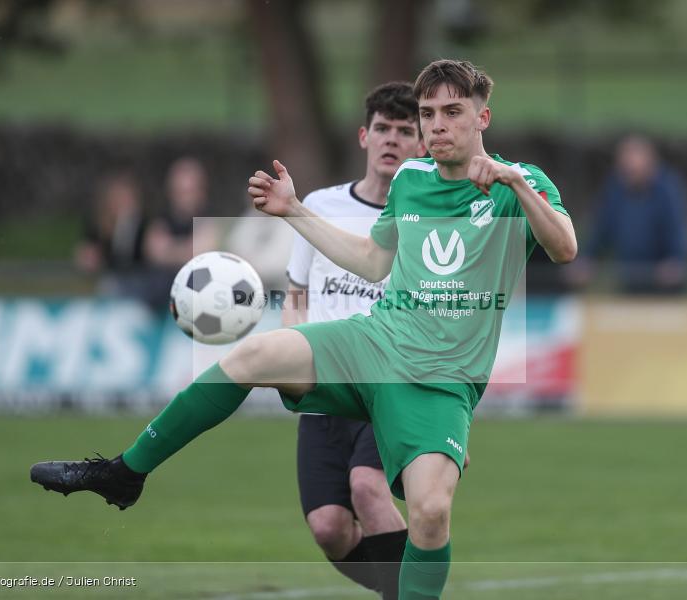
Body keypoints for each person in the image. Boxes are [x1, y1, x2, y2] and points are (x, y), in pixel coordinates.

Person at [31, 60, 576, 599]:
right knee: (250, 358)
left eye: (452, 112)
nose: (436, 125)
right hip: (374, 343)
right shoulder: (411, 180)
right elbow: (372, 260)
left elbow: (564, 247)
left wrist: (514, 183)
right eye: (428, 113)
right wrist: (293, 210)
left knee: (430, 513)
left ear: (483, 118)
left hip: (441, 378)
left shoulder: (519, 184)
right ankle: (125, 472)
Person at [282, 82, 425, 598]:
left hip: (387, 388)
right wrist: (291, 360)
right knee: (329, 528)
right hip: (325, 390)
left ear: (422, 144)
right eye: (383, 129)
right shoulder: (319, 206)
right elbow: (295, 294)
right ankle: (409, 588)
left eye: (405, 131)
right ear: (364, 136)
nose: (392, 139)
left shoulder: (423, 220)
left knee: (368, 489)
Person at [572, 135, 687, 294]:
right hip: (628, 285)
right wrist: (587, 259)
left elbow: (678, 232)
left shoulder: (668, 191)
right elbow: (601, 231)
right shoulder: (615, 191)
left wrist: (675, 260)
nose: (629, 171)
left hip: (664, 289)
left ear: (650, 163)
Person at [143, 157, 219, 309]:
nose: (184, 198)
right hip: (160, 298)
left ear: (201, 192)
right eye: (180, 192)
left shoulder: (208, 219)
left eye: (189, 191)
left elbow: (200, 253)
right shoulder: (161, 220)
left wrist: (170, 250)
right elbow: (154, 252)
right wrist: (186, 249)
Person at [74, 171, 150, 301]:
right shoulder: (98, 226)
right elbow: (87, 254)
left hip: (138, 280)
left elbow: (135, 257)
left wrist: (127, 226)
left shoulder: (143, 225)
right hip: (108, 281)